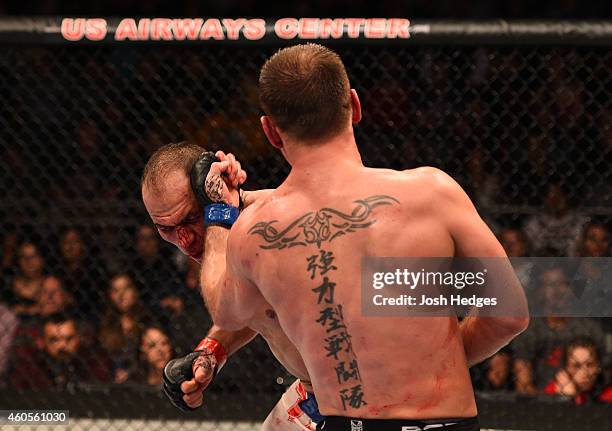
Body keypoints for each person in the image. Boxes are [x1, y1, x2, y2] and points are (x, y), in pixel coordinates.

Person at [197, 44, 529, 430]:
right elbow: (509, 314)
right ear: (355, 106)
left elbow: (225, 311)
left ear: (270, 131)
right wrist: (432, 359)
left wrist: (219, 215)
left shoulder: (255, 231)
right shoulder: (434, 193)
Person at [141, 142, 323, 430]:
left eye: (189, 218)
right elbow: (252, 304)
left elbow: (229, 310)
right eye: (166, 229)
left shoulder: (271, 225)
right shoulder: (222, 236)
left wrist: (219, 213)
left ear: (207, 192)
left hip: (366, 398)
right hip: (312, 394)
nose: (184, 240)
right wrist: (210, 352)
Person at [543, 337, 612, 404]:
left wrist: (573, 399)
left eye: (590, 365)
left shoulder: (608, 393)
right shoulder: (554, 390)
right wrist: (565, 398)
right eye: (576, 366)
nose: (584, 373)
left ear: (598, 367)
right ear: (565, 368)